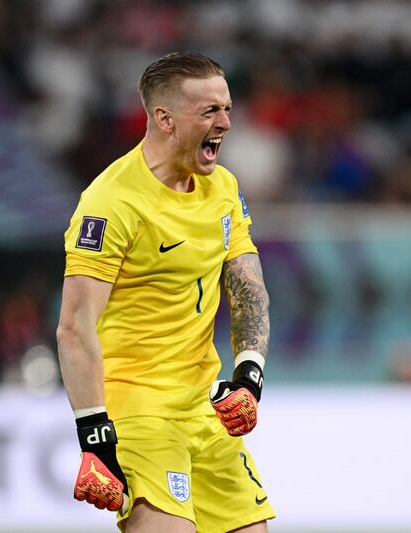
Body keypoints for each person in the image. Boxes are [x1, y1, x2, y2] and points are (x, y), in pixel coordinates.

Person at [56, 52, 275, 533]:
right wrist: (95, 440)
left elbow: (247, 285)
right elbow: (74, 327)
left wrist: (248, 376)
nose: (226, 123)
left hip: (207, 411)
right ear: (164, 119)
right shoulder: (111, 203)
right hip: (141, 417)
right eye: (210, 112)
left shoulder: (221, 187)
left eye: (228, 108)